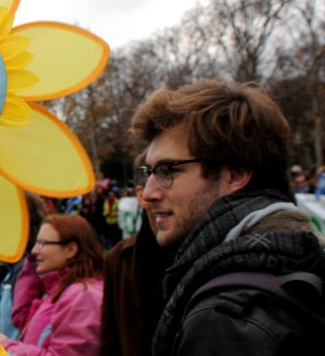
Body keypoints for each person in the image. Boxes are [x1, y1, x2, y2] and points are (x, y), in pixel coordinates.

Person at [132, 80, 325, 355]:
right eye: (147, 172)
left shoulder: (226, 318)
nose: (148, 193)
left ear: (234, 174)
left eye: (168, 170)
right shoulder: (294, 255)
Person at [0, 214, 104, 355]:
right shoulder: (59, 290)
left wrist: (6, 347)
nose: (35, 251)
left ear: (70, 250)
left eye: (43, 243)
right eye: (36, 243)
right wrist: (31, 267)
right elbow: (22, 319)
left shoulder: (82, 296)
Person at [98, 153, 175, 356]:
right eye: (153, 176)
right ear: (141, 195)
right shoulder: (118, 258)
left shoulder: (205, 251)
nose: (155, 194)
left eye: (170, 175)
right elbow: (109, 340)